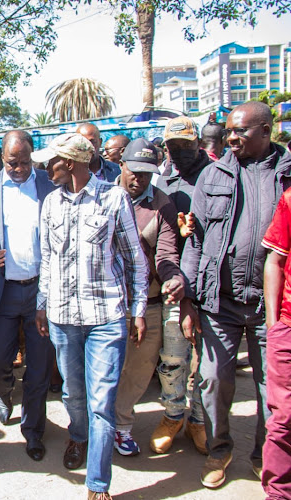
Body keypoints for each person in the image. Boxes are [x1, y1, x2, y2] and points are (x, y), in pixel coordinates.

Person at [181, 100, 291, 489]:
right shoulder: (213, 175)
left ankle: (265, 455)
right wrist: (189, 300)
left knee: (270, 389)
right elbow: (193, 241)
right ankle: (219, 449)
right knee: (212, 380)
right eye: (228, 130)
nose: (231, 137)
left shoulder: (288, 175)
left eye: (240, 131)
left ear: (266, 130)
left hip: (271, 307)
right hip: (219, 303)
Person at [34, 133, 148, 500]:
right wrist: (43, 303)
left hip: (105, 317)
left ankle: (98, 484)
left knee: (102, 402)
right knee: (72, 393)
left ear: (68, 163)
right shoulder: (50, 202)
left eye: (50, 161)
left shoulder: (113, 198)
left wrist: (139, 309)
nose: (45, 168)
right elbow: (48, 259)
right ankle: (78, 437)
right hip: (63, 316)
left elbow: (135, 260)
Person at [0, 132, 55, 462]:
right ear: (1, 158)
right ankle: (3, 394)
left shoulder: (48, 185)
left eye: (26, 162)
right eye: (12, 162)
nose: (19, 169)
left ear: (34, 157)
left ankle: (33, 430)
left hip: (39, 292)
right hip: (1, 292)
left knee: (39, 366)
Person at [110, 139, 199, 457]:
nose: (139, 179)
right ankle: (91, 428)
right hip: (107, 303)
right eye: (134, 172)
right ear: (121, 165)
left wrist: (173, 276)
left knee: (137, 369)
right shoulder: (101, 197)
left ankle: (121, 427)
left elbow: (166, 252)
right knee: (102, 369)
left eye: (147, 174)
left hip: (146, 303)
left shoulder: (161, 205)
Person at [149, 116, 211, 457]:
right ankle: (173, 414)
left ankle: (199, 420)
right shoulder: (163, 180)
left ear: (198, 143)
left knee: (205, 363)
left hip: (209, 283)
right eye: (171, 148)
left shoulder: (216, 175)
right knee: (173, 358)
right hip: (173, 282)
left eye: (185, 146)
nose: (178, 153)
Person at [260, 187, 291, 499]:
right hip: (287, 326)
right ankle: (279, 491)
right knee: (283, 417)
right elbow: (275, 259)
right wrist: (274, 325)